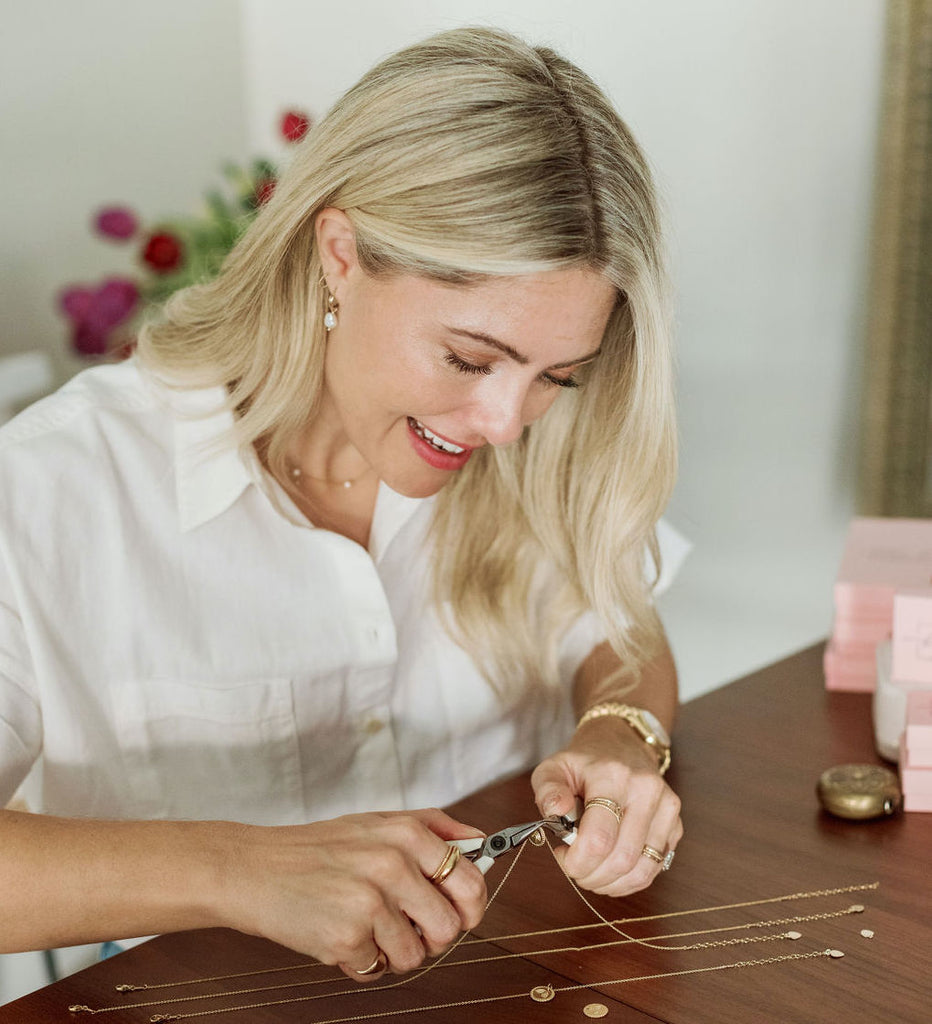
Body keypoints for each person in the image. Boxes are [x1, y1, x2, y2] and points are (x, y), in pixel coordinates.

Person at [0, 26, 683, 982]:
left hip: (500, 971)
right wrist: (235, 869)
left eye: (556, 376)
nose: (505, 423)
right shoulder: (51, 492)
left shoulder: (537, 437)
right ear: (340, 253)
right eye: (468, 358)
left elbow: (619, 626)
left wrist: (621, 735)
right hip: (189, 991)